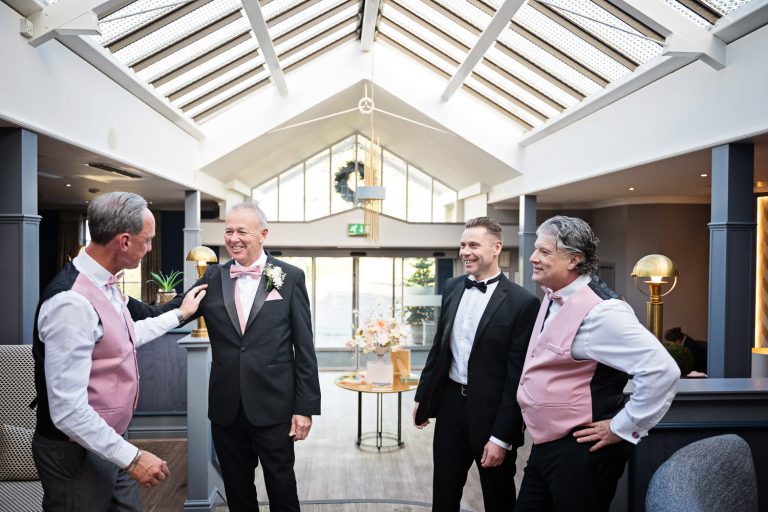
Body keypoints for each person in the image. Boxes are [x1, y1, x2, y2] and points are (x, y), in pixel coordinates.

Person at [31, 191, 208, 511]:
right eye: (148, 240)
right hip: (77, 453)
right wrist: (133, 458)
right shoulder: (70, 303)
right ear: (125, 241)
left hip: (109, 441)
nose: (151, 247)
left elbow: (125, 336)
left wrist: (180, 313)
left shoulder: (105, 285)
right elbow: (68, 411)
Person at [515, 216, 680, 512]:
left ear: (574, 259)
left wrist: (622, 427)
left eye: (544, 251)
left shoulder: (604, 312)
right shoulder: (552, 295)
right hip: (545, 447)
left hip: (581, 453)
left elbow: (662, 370)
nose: (533, 257)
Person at [166, 202, 320, 512]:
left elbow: (304, 347)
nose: (234, 238)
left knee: (282, 486)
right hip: (227, 407)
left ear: (263, 234)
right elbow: (175, 311)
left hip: (274, 406)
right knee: (237, 490)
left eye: (242, 231)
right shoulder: (213, 276)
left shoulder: (286, 276)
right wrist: (117, 303)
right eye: (228, 231)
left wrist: (304, 408)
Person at [413, 216, 539, 512]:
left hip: (492, 414)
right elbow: (439, 348)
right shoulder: (453, 286)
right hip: (451, 405)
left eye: (473, 245)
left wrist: (502, 437)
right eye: (462, 245)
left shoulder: (522, 302)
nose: (465, 252)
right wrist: (423, 396)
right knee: (443, 493)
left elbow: (517, 378)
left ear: (496, 248)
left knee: (498, 498)